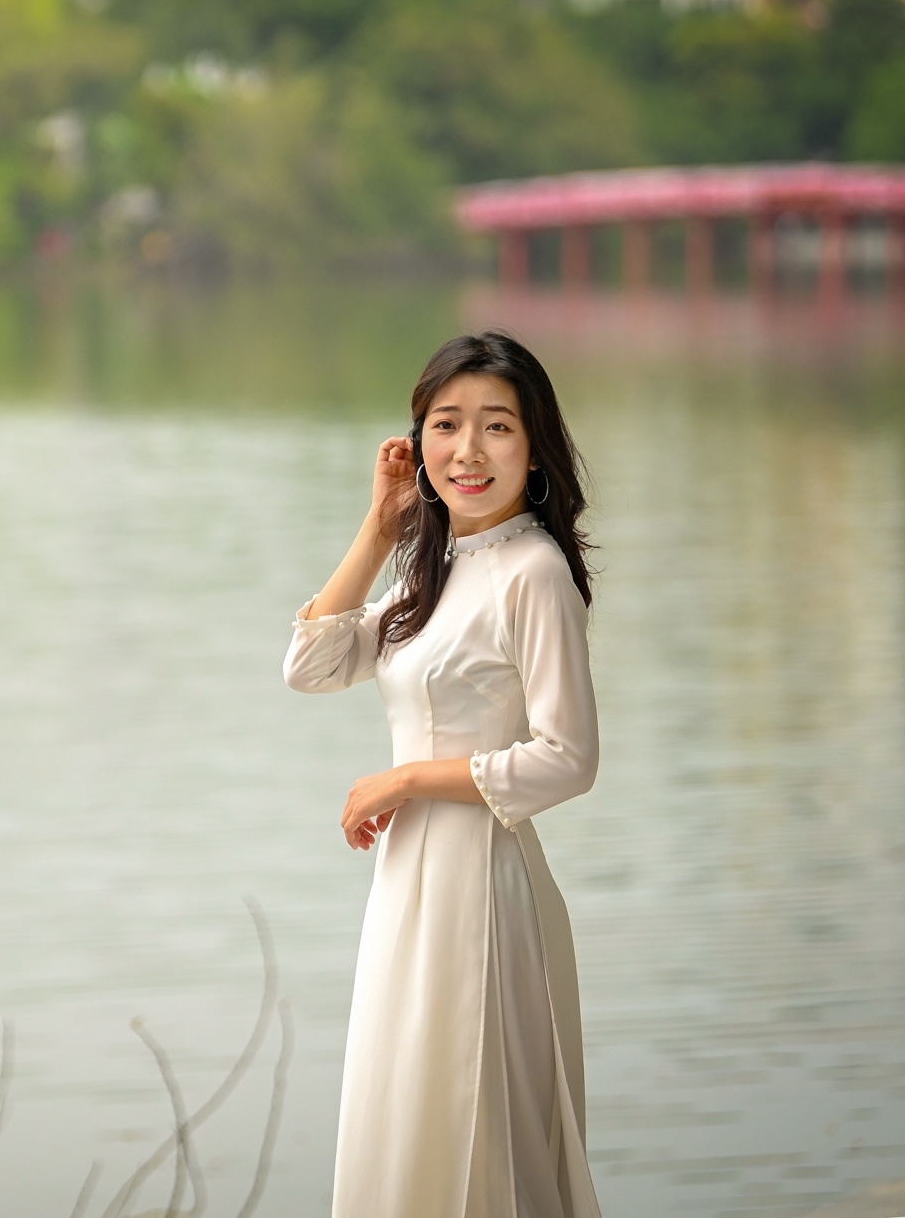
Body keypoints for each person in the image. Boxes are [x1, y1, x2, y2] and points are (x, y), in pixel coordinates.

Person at [283, 333, 602, 1218]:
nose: (468, 450)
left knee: (476, 1122)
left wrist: (407, 781)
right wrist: (379, 527)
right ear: (418, 441)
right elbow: (309, 666)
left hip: (485, 888)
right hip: (410, 884)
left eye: (496, 426)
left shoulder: (533, 572)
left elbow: (569, 756)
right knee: (404, 1115)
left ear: (534, 447)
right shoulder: (437, 565)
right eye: (446, 425)